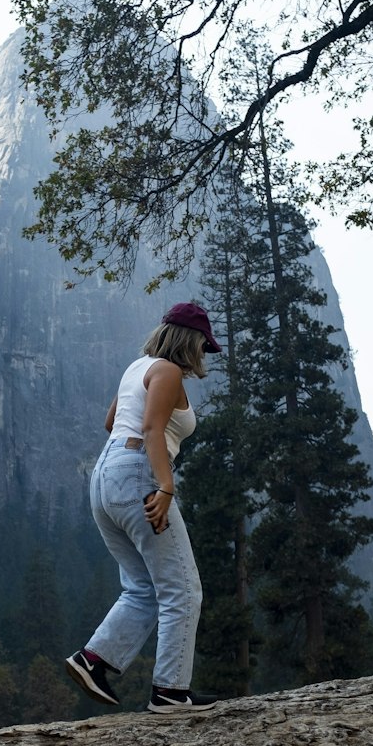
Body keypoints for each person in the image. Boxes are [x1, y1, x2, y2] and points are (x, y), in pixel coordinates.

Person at [65, 302, 222, 714]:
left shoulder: (138, 367)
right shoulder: (167, 371)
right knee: (183, 589)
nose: (203, 356)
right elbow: (152, 428)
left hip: (105, 479)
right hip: (140, 476)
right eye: (204, 346)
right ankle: (170, 692)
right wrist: (165, 485)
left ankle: (93, 660)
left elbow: (111, 421)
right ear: (191, 341)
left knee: (142, 587)